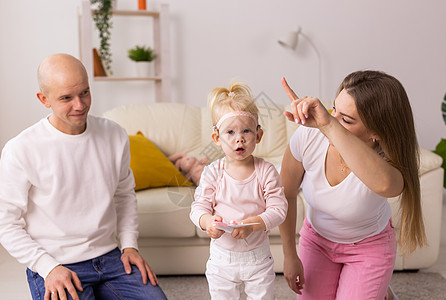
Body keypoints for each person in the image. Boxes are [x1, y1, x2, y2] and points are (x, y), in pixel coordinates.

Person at [0, 53, 167, 300]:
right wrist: (48, 268)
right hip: (57, 263)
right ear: (43, 99)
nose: (80, 105)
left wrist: (130, 246)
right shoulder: (21, 149)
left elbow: (124, 195)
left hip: (111, 258)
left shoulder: (115, 134)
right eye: (66, 98)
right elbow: (6, 224)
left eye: (85, 93)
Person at [278, 70, 426, 299]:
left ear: (376, 132)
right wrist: (289, 254)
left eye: (346, 120)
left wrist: (329, 126)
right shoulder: (307, 137)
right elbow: (286, 194)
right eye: (333, 109)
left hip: (369, 248)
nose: (331, 120)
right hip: (317, 240)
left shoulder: (385, 161)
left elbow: (388, 185)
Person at [190, 82, 288, 299]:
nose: (239, 138)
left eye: (246, 131)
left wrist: (252, 225)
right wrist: (207, 222)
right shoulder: (212, 172)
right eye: (230, 132)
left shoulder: (266, 171)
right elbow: (198, 207)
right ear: (217, 138)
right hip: (222, 258)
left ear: (258, 135)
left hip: (258, 258)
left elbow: (279, 209)